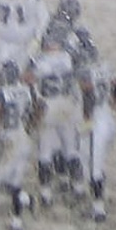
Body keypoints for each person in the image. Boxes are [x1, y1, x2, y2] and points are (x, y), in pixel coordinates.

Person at [29, 19, 84, 209]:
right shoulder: (69, 58)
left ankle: (45, 193)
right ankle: (78, 187)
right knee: (70, 148)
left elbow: (28, 78)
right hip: (68, 105)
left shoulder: (40, 60)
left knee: (45, 150)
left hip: (49, 106)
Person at [72, 30, 116, 223]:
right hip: (107, 120)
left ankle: (99, 209)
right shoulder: (105, 67)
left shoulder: (83, 72)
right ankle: (96, 205)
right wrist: (115, 104)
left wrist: (86, 122)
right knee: (91, 165)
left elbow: (87, 96)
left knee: (92, 167)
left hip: (94, 123)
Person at [0, 60, 35, 230]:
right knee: (15, 182)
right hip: (24, 137)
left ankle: (24, 198)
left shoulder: (0, 93)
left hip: (10, 139)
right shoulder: (26, 91)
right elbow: (37, 110)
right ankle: (17, 224)